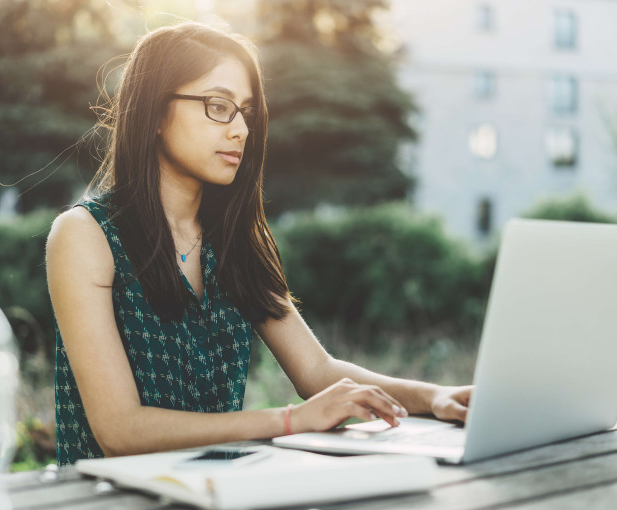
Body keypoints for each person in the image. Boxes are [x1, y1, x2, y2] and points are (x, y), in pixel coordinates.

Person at [46, 22, 471, 467]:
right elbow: (119, 430)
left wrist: (435, 396)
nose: (241, 130)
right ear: (153, 112)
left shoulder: (233, 238)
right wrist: (290, 421)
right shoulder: (84, 235)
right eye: (218, 106)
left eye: (246, 112)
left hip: (217, 502)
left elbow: (317, 373)